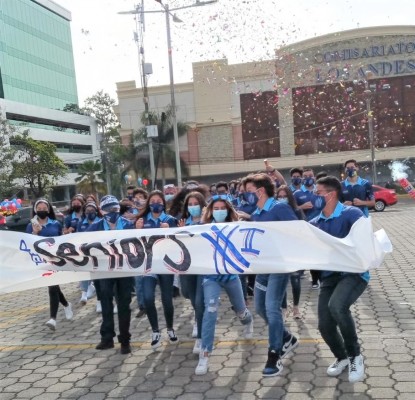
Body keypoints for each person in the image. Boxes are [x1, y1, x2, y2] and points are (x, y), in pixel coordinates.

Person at [309, 176, 368, 383]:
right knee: (325, 325)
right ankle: (342, 357)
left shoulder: (352, 214)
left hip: (354, 274)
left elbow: (363, 241)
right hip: (329, 277)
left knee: (337, 307)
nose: (313, 196)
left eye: (317, 193)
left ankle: (355, 356)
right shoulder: (314, 223)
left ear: (331, 194)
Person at [244, 173, 299, 377]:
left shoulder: (280, 208)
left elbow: (296, 231)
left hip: (279, 266)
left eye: (248, 192)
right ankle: (287, 338)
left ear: (260, 191)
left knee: (272, 307)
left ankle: (274, 354)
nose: (245, 196)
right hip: (263, 268)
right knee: (260, 307)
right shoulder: (257, 212)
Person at [195, 196, 253, 375]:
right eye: (216, 208)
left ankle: (248, 322)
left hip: (231, 277)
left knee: (241, 310)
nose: (219, 210)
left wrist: (248, 219)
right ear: (211, 210)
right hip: (211, 277)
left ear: (228, 210)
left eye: (223, 208)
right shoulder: (202, 228)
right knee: (210, 310)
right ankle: (204, 355)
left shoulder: (237, 227)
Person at [86, 195, 135, 354]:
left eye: (115, 209)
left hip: (125, 270)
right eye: (108, 210)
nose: (112, 212)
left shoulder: (129, 225)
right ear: (101, 211)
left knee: (124, 305)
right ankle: (107, 338)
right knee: (105, 302)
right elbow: (84, 246)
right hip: (104, 270)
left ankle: (125, 340)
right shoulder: (95, 227)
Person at [136, 190, 179, 349]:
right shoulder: (142, 221)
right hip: (149, 265)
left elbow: (179, 242)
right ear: (148, 204)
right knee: (147, 297)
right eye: (152, 201)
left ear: (163, 204)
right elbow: (135, 243)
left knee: (167, 300)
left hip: (166, 264)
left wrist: (170, 231)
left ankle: (170, 328)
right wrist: (137, 231)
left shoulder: (171, 220)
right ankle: (155, 331)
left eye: (159, 201)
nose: (156, 203)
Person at [26, 199, 73, 330]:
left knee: (52, 287)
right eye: (39, 208)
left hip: (55, 260)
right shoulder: (31, 225)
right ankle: (66, 304)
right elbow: (27, 243)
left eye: (44, 207)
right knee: (54, 287)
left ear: (48, 209)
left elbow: (61, 240)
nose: (42, 210)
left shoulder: (56, 224)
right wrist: (35, 232)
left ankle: (53, 318)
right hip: (41, 261)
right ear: (35, 210)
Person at [177, 191, 207, 354]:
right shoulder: (183, 222)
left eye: (196, 204)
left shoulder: (207, 221)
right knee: (188, 294)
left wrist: (203, 222)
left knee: (199, 301)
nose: (193, 207)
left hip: (203, 267)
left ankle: (201, 339)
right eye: (190, 204)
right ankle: (198, 315)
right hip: (187, 267)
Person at [276, 185, 304, 320]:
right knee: (282, 281)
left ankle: (296, 308)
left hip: (294, 251)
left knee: (295, 280)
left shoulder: (297, 211)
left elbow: (302, 229)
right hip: (280, 251)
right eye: (279, 197)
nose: (282, 199)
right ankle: (284, 308)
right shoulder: (274, 211)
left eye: (284, 196)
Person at [294, 168, 323, 289]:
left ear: (314, 177)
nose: (308, 178)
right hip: (307, 227)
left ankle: (325, 277)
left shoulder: (321, 191)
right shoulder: (297, 193)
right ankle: (315, 279)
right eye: (305, 176)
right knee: (313, 253)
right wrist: (301, 207)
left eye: (310, 176)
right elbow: (291, 209)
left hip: (322, 226)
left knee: (323, 252)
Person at [76, 202, 102, 306]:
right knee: (85, 271)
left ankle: (99, 301)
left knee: (98, 277)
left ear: (96, 211)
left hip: (99, 253)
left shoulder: (100, 223)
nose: (89, 213)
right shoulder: (81, 223)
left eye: (92, 211)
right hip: (86, 252)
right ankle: (84, 294)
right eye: (87, 211)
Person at [132, 187, 149, 319]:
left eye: (141, 197)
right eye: (135, 198)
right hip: (137, 253)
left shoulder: (150, 215)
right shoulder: (131, 216)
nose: (138, 200)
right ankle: (142, 306)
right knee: (138, 281)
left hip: (151, 254)